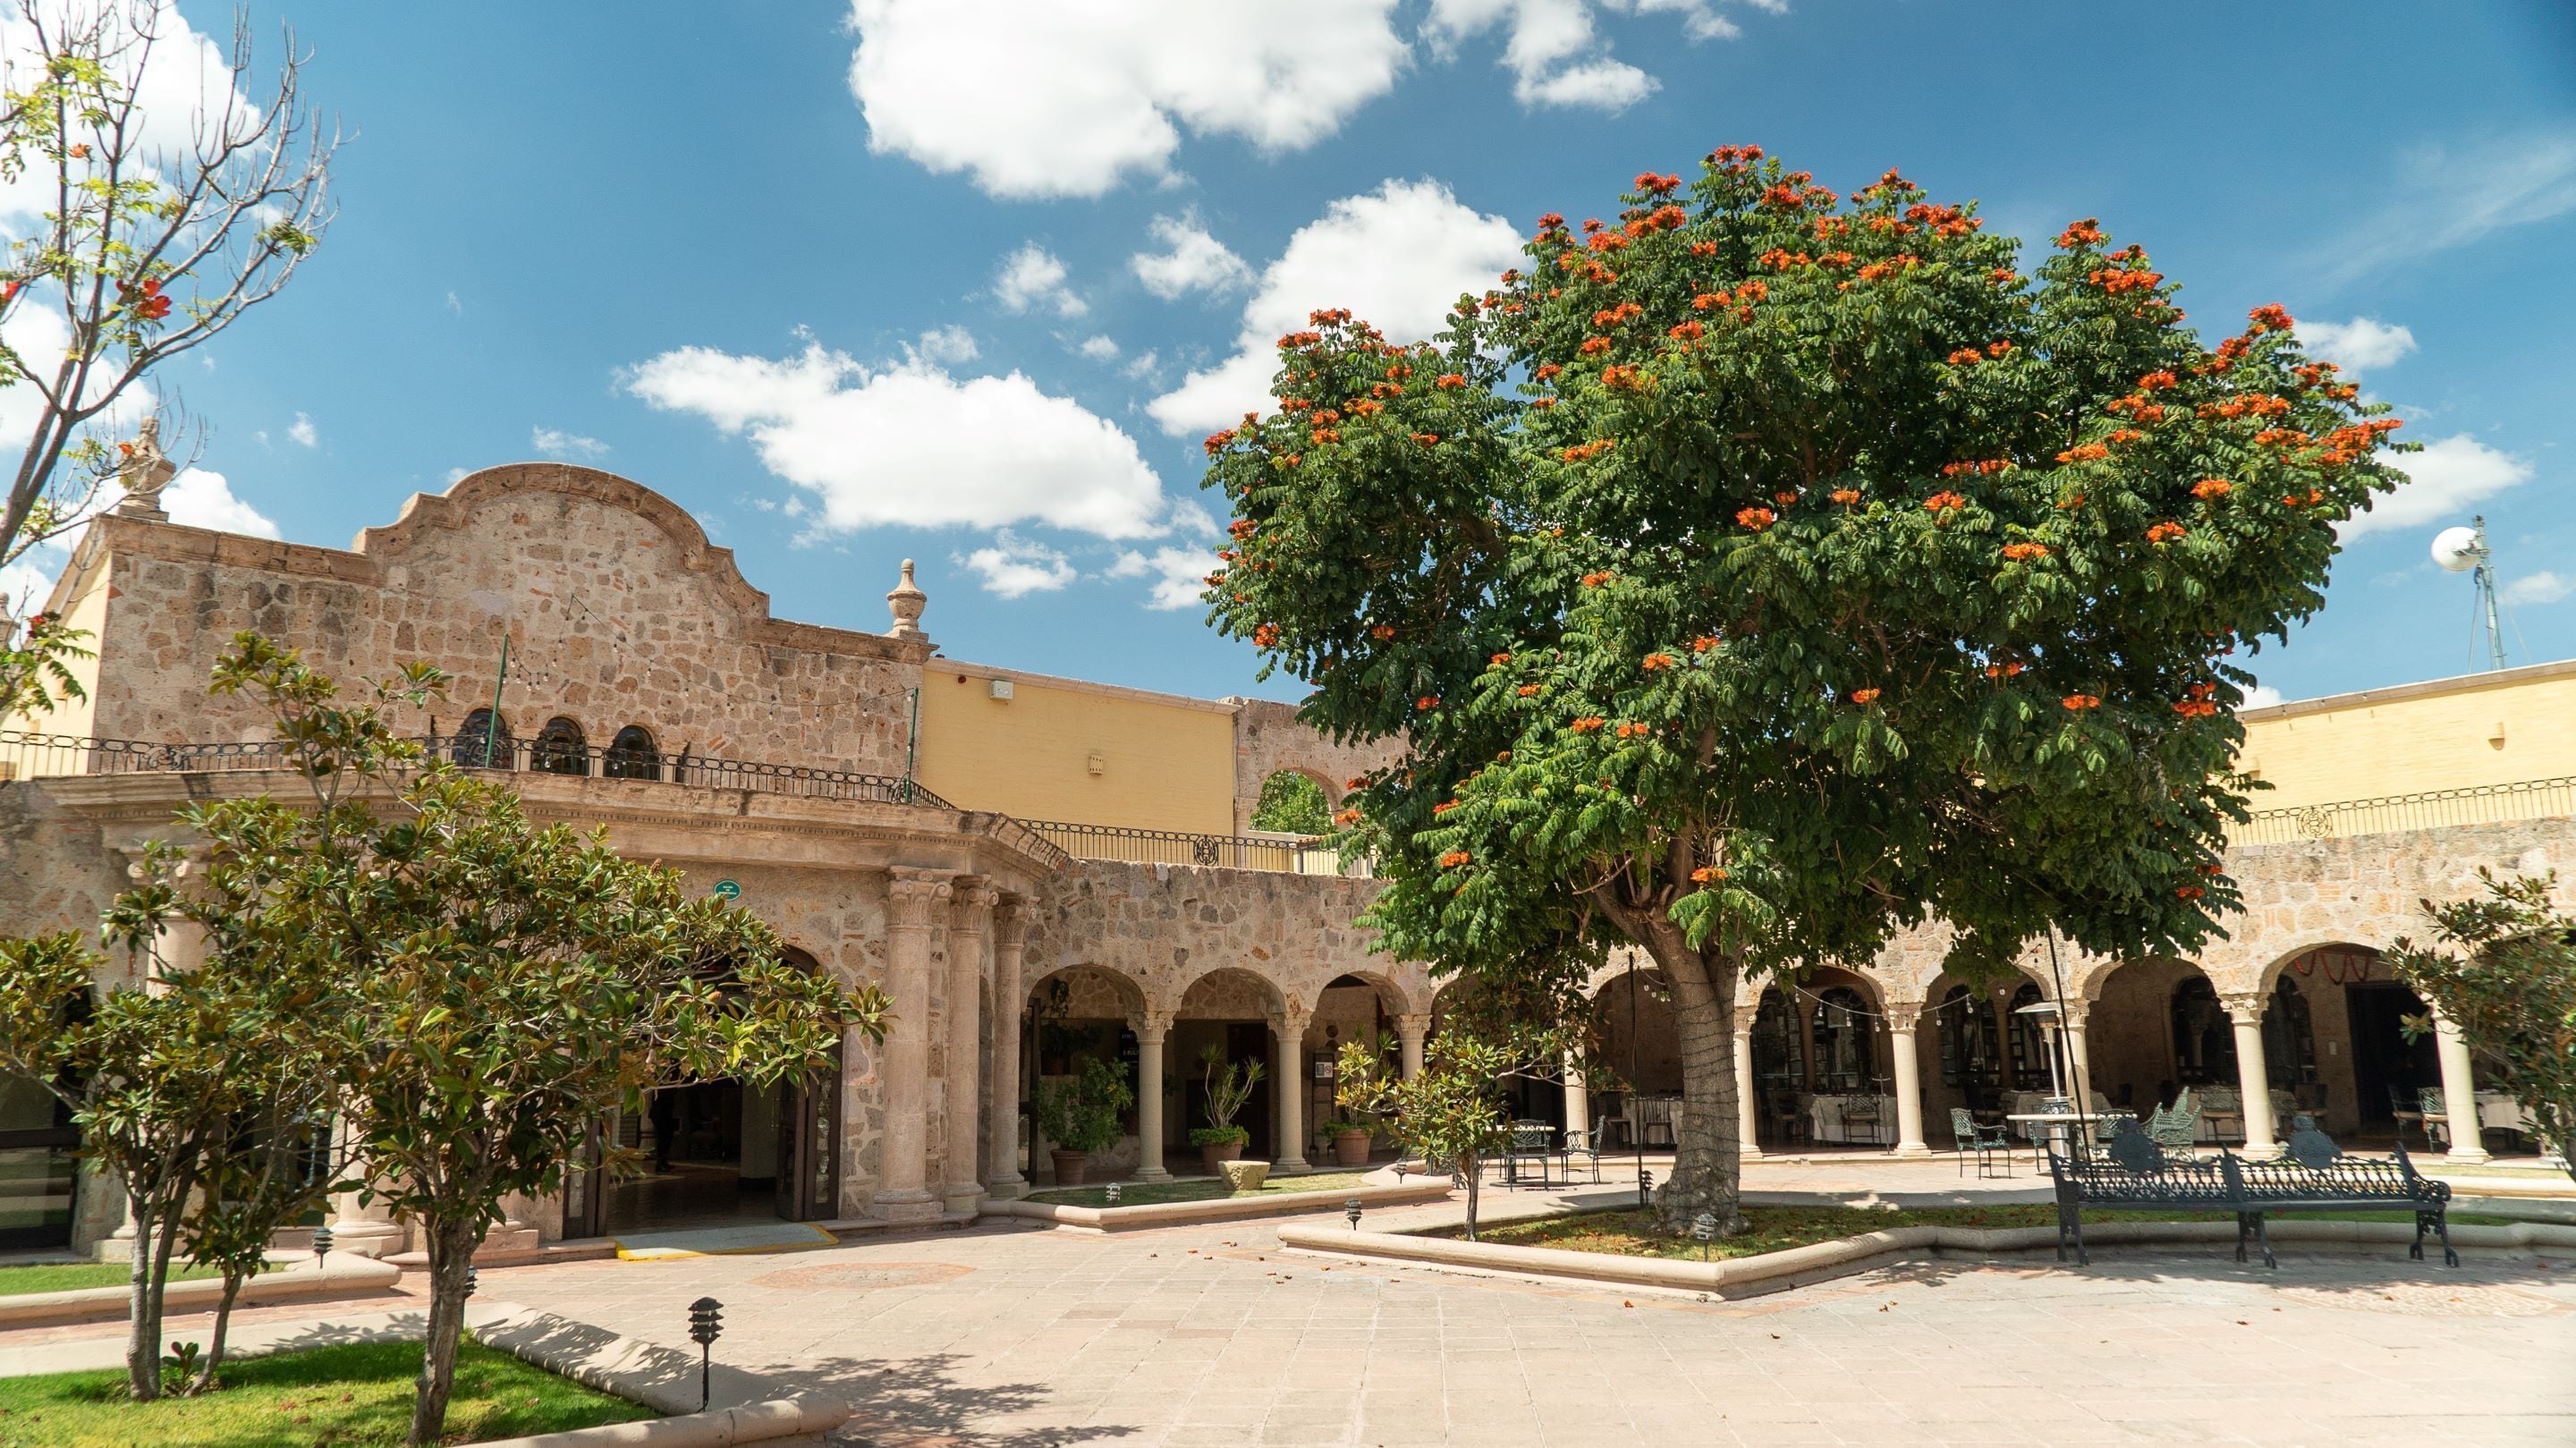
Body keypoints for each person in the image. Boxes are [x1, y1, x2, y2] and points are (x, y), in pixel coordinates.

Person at [648, 1090, 678, 1173]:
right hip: (661, 1113)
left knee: (667, 1137)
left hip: (664, 1113)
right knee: (663, 1138)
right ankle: (660, 1163)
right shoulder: (662, 1089)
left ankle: (663, 1161)